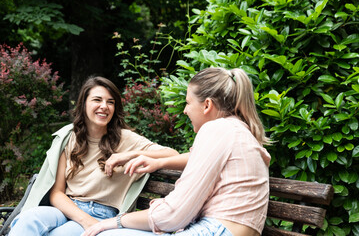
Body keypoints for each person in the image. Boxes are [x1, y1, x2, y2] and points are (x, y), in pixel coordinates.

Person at [82, 67, 271, 236]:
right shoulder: (237, 130)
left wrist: (115, 221)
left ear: (207, 105)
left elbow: (174, 214)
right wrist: (158, 162)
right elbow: (201, 158)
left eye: (188, 103)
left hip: (216, 230)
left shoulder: (216, 129)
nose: (185, 111)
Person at [8, 76, 178, 236]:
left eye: (110, 102)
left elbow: (172, 155)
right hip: (64, 208)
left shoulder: (125, 138)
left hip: (101, 214)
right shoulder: (68, 137)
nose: (104, 106)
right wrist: (85, 221)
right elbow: (57, 193)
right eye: (97, 100)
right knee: (27, 220)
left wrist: (129, 155)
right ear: (83, 104)